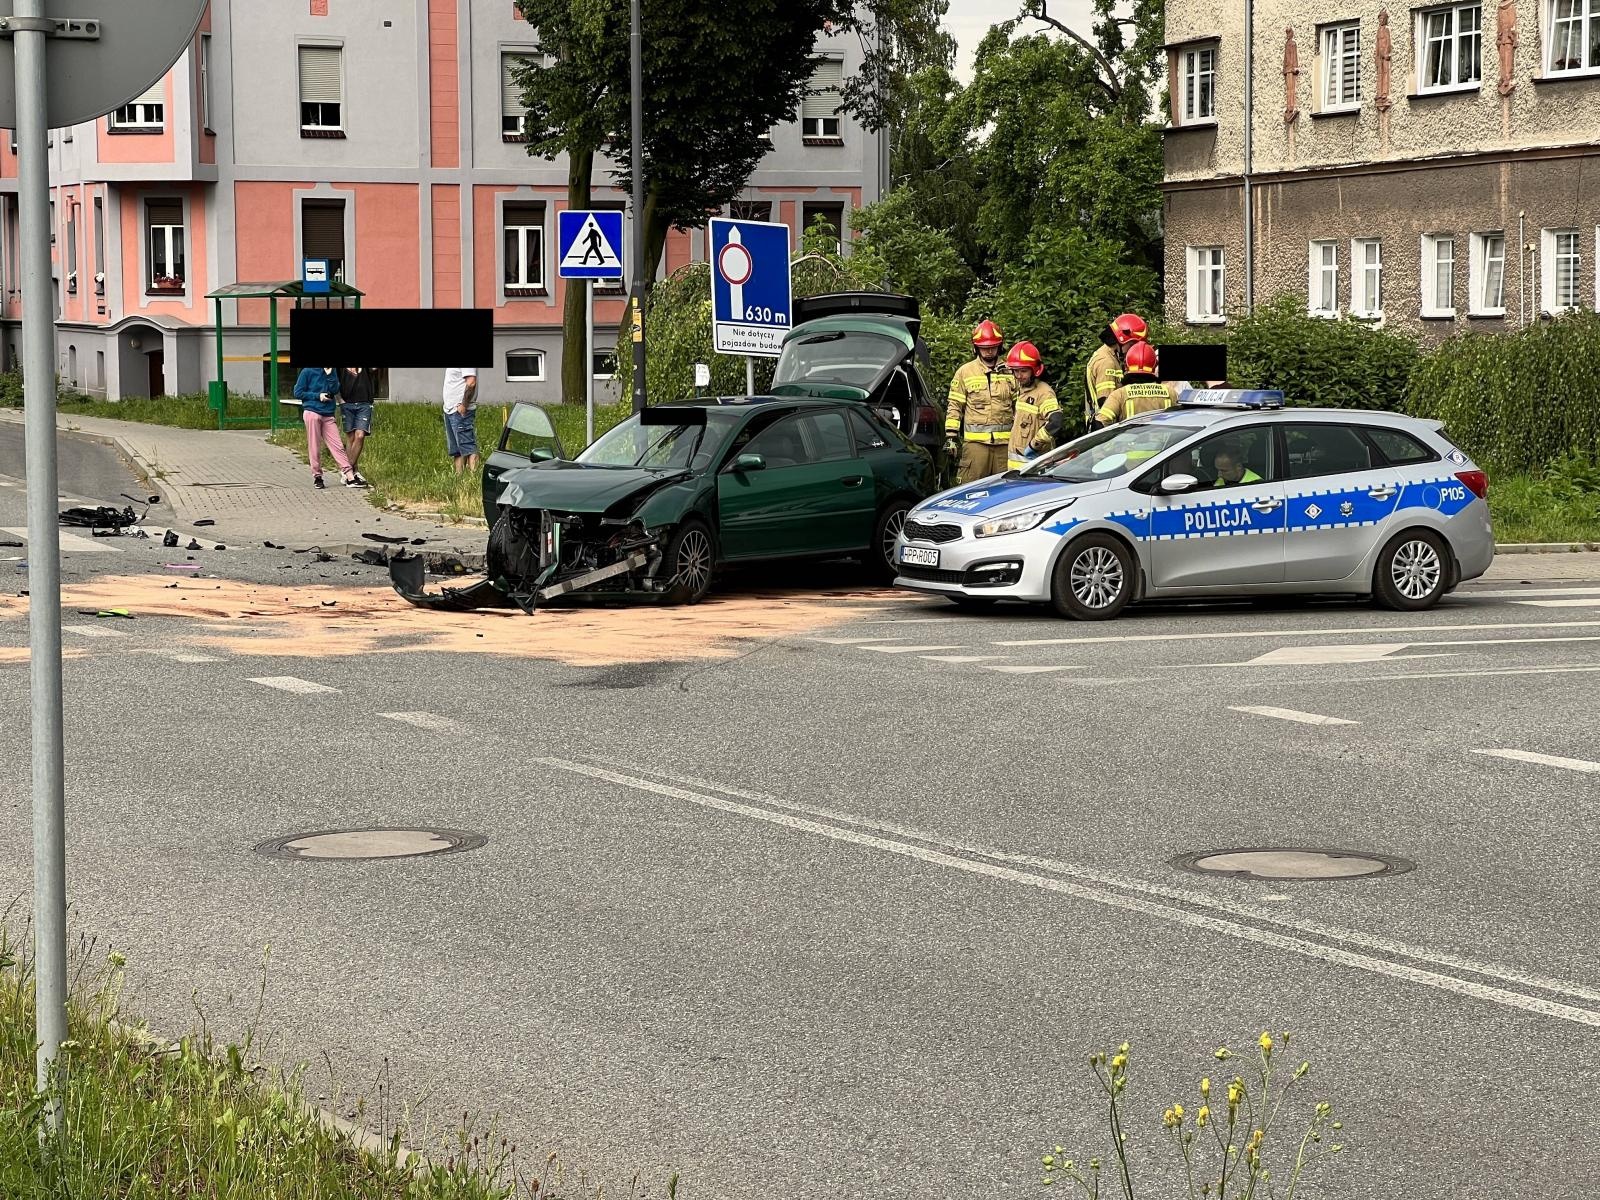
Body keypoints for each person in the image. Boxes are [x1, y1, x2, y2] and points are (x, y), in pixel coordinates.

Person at [944, 319, 1018, 484]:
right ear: (976, 347)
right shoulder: (965, 372)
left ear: (1000, 346)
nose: (989, 352)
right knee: (971, 490)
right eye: (984, 348)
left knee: (1006, 490)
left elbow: (1019, 407)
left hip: (1005, 446)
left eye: (993, 347)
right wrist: (951, 436)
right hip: (976, 446)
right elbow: (955, 406)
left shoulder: (1011, 371)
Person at [292, 365, 361, 489]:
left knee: (338, 446)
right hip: (312, 411)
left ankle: (349, 476)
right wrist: (318, 396)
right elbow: (298, 392)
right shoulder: (307, 371)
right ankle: (317, 476)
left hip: (328, 413)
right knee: (315, 445)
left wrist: (329, 375)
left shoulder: (332, 370)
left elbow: (335, 389)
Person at [1092, 342, 1184, 427]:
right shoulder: (1171, 393)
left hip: (1128, 444)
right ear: (1154, 366)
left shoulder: (1119, 394)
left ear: (1127, 366)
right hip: (1164, 444)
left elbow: (1100, 422)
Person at [1083, 312, 1148, 429]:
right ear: (1122, 339)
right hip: (1105, 429)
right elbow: (1105, 401)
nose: (1134, 348)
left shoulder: (1111, 356)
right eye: (1133, 343)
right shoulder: (1106, 362)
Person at [1004, 341, 1061, 470]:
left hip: (1035, 468)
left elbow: (1055, 422)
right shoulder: (1022, 390)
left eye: (1023, 371)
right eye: (1015, 371)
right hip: (1016, 469)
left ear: (1035, 370)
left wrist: (1034, 445)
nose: (1019, 376)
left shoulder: (1044, 392)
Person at [339, 366, 378, 485]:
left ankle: (347, 471)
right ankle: (354, 472)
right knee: (351, 438)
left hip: (364, 403)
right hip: (347, 404)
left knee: (360, 436)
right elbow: (333, 381)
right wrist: (340, 400)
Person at [442, 366, 481, 474]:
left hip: (461, 411)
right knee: (457, 451)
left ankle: (474, 481)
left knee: (469, 447)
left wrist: (464, 405)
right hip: (450, 410)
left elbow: (471, 382)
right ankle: (459, 480)